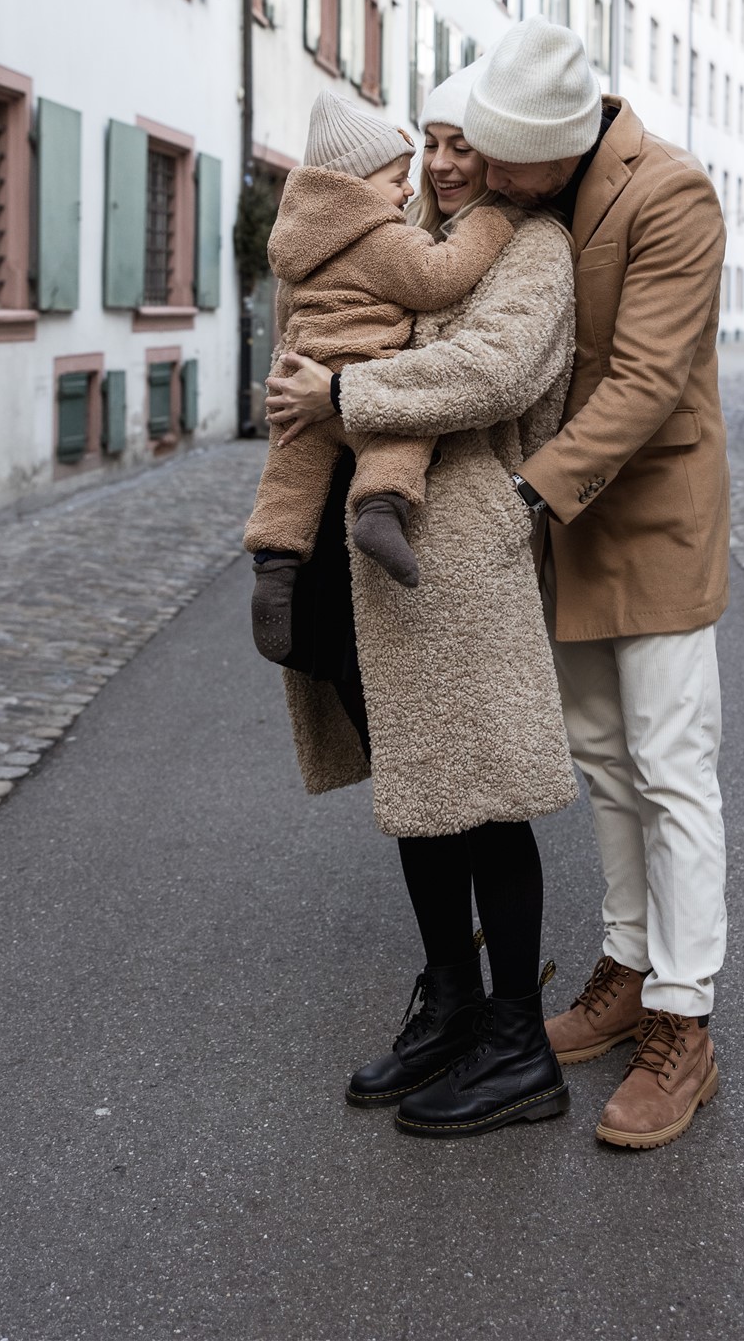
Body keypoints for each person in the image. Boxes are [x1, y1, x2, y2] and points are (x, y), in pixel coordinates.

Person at [260, 59, 580, 1139]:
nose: (442, 163)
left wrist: (341, 391)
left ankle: (517, 1042)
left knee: (484, 793)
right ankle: (448, 1001)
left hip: (457, 551)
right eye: (430, 140)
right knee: (417, 782)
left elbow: (493, 371)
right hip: (357, 547)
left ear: (500, 148)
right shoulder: (392, 236)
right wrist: (304, 375)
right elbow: (314, 326)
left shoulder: (528, 248)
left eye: (463, 143)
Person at [460, 17, 729, 1153]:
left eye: (498, 156)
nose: (476, 169)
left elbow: (648, 380)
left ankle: (684, 1016)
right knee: (606, 761)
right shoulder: (529, 198)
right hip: (568, 522)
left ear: (560, 145)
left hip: (652, 516)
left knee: (673, 769)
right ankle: (626, 964)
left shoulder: (673, 195)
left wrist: (524, 491)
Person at [242, 89, 514, 659]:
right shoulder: (377, 237)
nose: (410, 188)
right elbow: (439, 276)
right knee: (402, 436)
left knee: (289, 481)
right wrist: (488, 226)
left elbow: (285, 320)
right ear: (355, 187)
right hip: (368, 377)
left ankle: (274, 567)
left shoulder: (296, 251)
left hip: (301, 379)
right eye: (397, 178)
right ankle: (381, 511)